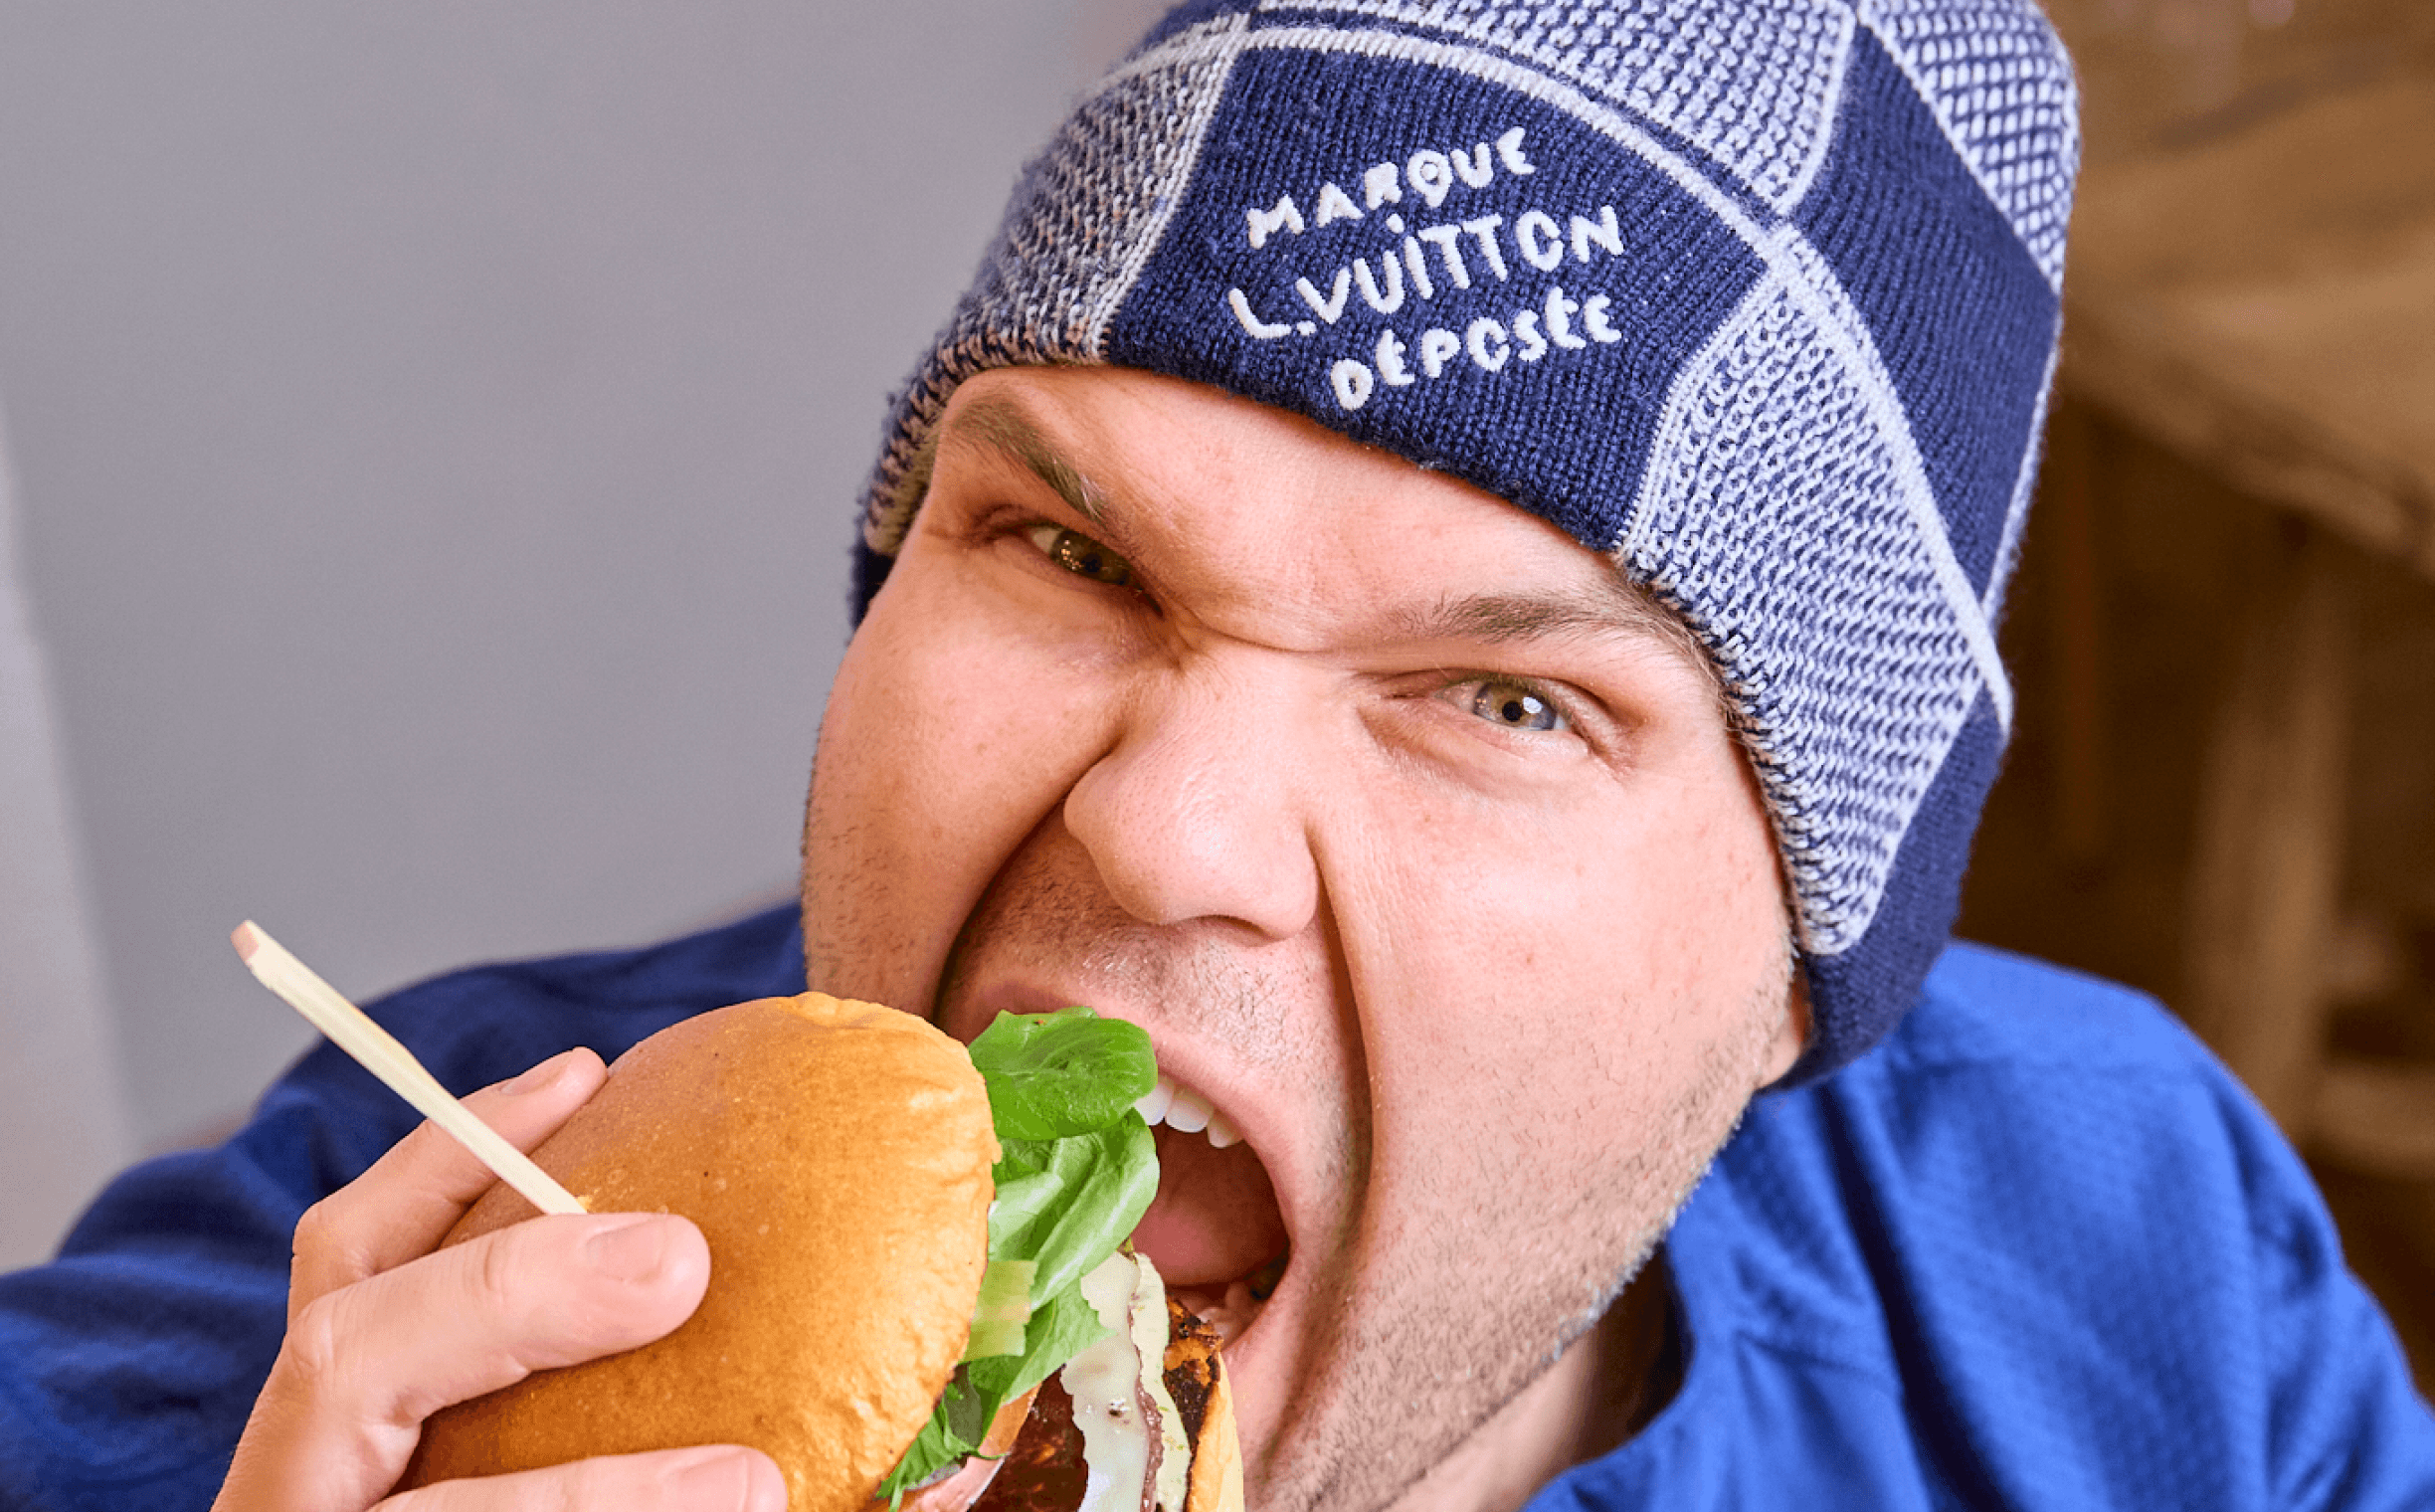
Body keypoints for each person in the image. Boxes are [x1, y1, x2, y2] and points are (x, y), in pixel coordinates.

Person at [5, 2, 2432, 1509]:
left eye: (1506, 697)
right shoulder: (307, 1336)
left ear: (1796, 968)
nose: (1160, 822)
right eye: (1069, 549)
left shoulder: (2127, 1270)